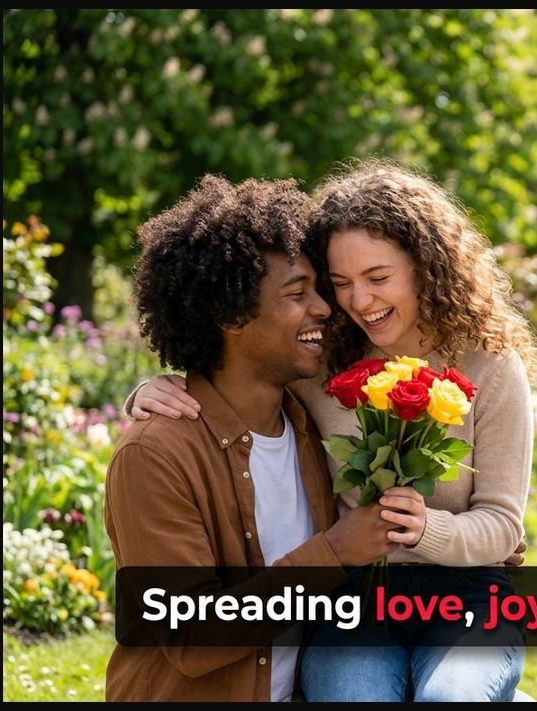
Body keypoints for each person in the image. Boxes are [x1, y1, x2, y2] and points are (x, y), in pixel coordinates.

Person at [127, 162, 536, 701]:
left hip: (466, 594)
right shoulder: (322, 364)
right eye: (340, 283)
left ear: (427, 266)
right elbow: (238, 363)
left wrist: (429, 530)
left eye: (378, 278)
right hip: (355, 598)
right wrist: (146, 391)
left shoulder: (490, 365)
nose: (357, 301)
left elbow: (504, 523)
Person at [105, 175, 399, 701]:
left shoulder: (311, 425)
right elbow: (191, 635)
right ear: (232, 315)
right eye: (297, 293)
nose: (325, 309)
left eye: (318, 289)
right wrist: (333, 552)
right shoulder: (156, 456)